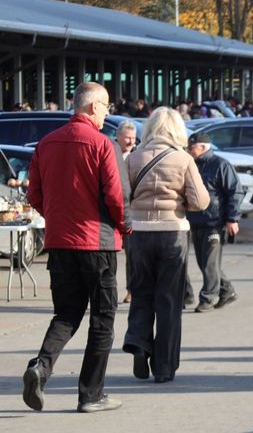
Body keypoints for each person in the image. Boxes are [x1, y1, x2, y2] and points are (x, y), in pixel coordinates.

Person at [22, 81, 128, 413]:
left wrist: (54, 217)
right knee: (103, 317)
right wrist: (125, 226)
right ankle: (90, 394)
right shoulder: (101, 144)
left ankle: (41, 367)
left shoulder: (46, 143)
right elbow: (114, 196)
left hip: (59, 243)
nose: (107, 113)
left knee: (66, 313)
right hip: (97, 243)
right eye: (107, 106)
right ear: (93, 106)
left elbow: (34, 195)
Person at [122, 108, 209, 384]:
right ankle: (164, 366)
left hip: (138, 233)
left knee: (141, 291)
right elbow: (200, 202)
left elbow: (121, 195)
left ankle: (139, 342)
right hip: (173, 233)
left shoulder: (133, 158)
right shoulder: (183, 159)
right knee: (169, 301)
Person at [186, 132, 242, 313]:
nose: (188, 150)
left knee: (210, 263)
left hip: (214, 222)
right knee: (205, 263)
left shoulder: (220, 165)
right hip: (195, 220)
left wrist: (232, 219)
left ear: (202, 147)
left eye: (191, 147)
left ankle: (207, 298)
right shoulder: (192, 165)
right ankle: (227, 290)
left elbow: (235, 193)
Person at [116, 120, 138, 303]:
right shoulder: (111, 152)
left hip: (132, 209)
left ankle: (132, 290)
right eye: (127, 138)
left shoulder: (139, 155)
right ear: (118, 137)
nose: (131, 142)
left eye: (133, 138)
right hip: (112, 208)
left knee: (133, 253)